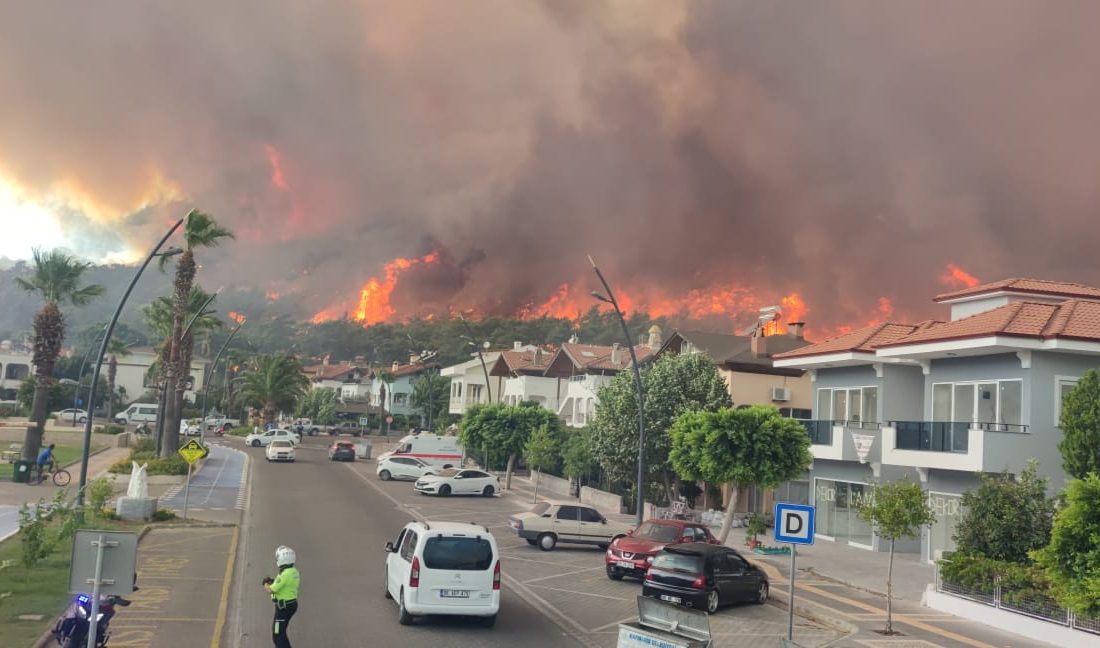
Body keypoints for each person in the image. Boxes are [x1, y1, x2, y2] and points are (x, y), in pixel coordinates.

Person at [262, 545, 299, 648]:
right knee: (281, 631)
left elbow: (270, 589)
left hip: (283, 608)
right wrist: (273, 582)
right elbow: (283, 585)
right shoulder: (294, 572)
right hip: (291, 605)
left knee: (278, 634)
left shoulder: (284, 574)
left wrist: (265, 583)